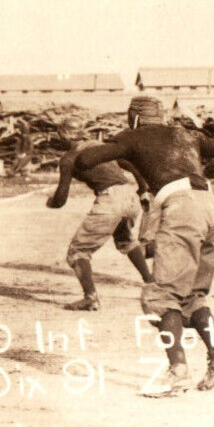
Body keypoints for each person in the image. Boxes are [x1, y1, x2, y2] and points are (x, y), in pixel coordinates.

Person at [50, 96, 214, 396]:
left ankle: (178, 374)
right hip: (211, 206)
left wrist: (123, 148)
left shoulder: (133, 135)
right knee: (192, 296)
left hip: (181, 208)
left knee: (160, 299)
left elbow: (86, 160)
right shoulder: (186, 134)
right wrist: (209, 170)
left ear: (133, 118)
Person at [47, 118, 152, 311]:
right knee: (126, 241)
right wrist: (143, 188)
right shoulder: (100, 146)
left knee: (78, 251)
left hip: (110, 199)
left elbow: (61, 200)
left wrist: (51, 202)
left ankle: (90, 298)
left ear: (66, 135)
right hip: (128, 195)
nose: (59, 139)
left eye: (60, 135)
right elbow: (130, 164)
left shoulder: (69, 158)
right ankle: (152, 283)